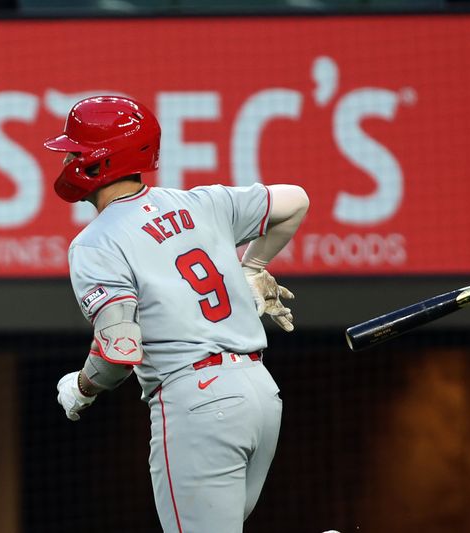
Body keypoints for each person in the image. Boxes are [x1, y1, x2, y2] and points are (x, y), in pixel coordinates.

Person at [45, 95, 309, 533]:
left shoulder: (94, 242)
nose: (68, 158)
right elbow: (295, 200)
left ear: (100, 158)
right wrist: (254, 267)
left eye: (75, 150)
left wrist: (82, 387)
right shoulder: (202, 202)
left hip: (198, 400)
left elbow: (118, 352)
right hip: (261, 394)